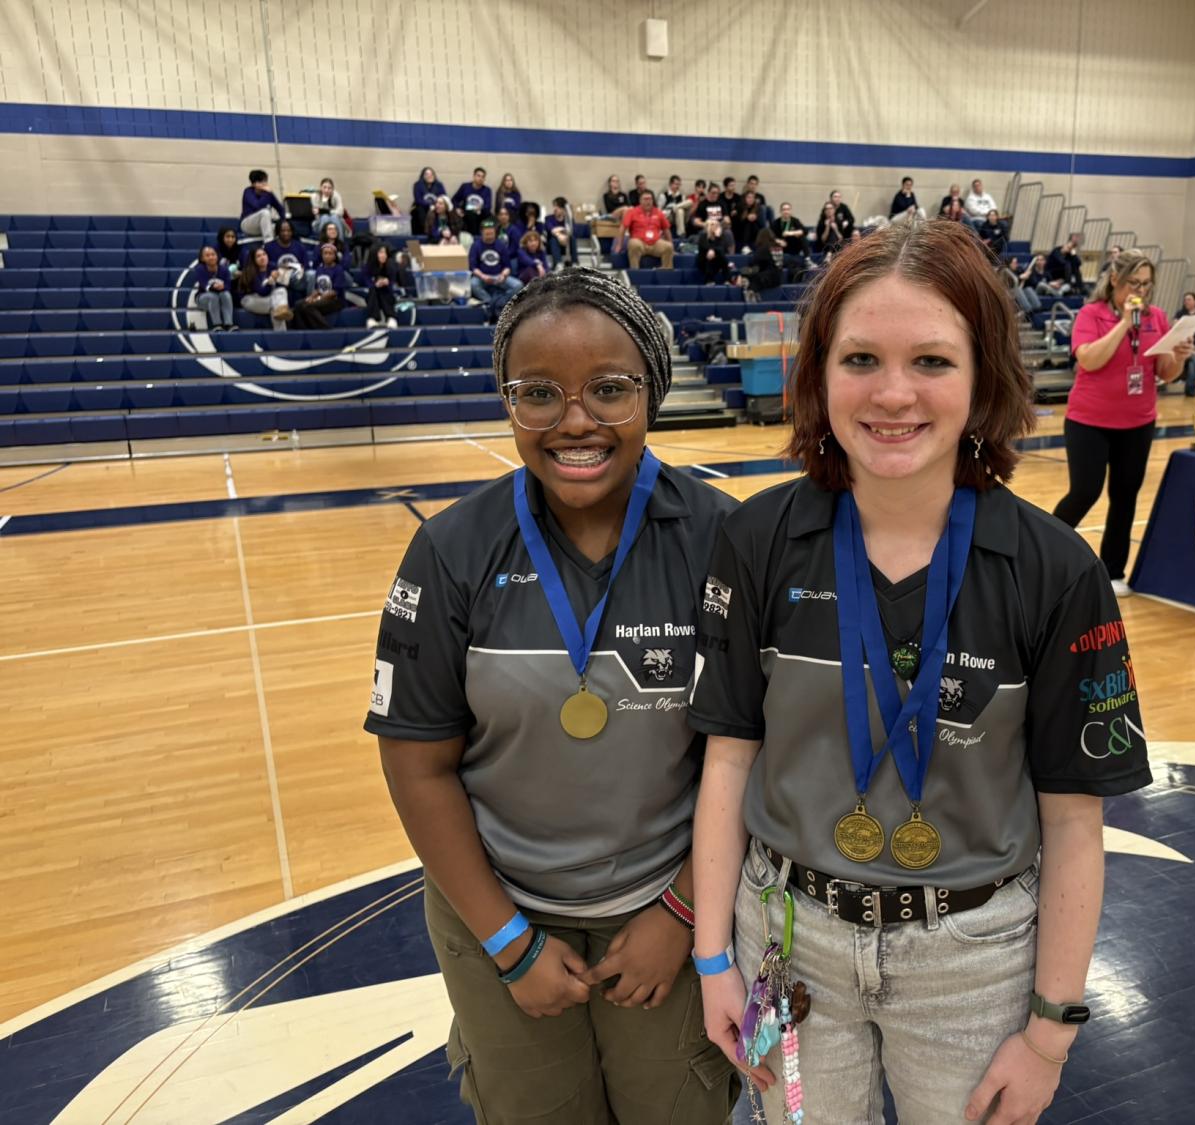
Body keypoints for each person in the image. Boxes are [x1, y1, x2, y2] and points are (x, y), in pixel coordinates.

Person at [687, 219, 1151, 1125]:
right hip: (787, 936)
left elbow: (1074, 820)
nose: (893, 394)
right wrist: (714, 960)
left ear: (984, 381)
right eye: (860, 358)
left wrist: (1050, 1031)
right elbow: (728, 763)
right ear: (818, 373)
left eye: (933, 361)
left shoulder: (1057, 571)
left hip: (974, 961)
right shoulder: (755, 540)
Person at [368, 269, 741, 1125]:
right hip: (498, 915)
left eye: (609, 389)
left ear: (651, 387)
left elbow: (749, 753)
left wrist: (682, 913)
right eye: (540, 393)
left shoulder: (725, 539)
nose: (576, 421)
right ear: (509, 401)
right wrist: (506, 939)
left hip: (673, 912)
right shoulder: (451, 550)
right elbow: (417, 766)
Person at [1052, 249, 1192, 596]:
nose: (1141, 291)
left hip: (1138, 421)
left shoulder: (1156, 317)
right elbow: (1089, 360)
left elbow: (1164, 373)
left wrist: (1178, 358)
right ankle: (1042, 554)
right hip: (1090, 420)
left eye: (1147, 285)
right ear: (1115, 279)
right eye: (1134, 283)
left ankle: (1114, 571)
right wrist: (1124, 325)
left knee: (1125, 495)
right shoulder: (1091, 314)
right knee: (1085, 490)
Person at [469, 221, 522, 321]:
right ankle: (489, 302)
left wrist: (503, 275)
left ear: (495, 233)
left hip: (499, 276)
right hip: (482, 276)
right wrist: (483, 276)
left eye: (491, 233)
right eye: (487, 234)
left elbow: (507, 266)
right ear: (482, 233)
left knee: (518, 285)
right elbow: (473, 267)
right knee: (473, 284)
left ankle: (500, 302)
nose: (489, 236)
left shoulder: (500, 245)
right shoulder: (476, 245)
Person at [291, 240, 348, 329]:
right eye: (325, 253)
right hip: (321, 298)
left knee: (308, 306)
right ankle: (302, 330)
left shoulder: (338, 270)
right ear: (321, 255)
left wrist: (317, 300)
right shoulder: (319, 269)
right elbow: (318, 289)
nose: (327, 256)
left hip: (335, 301)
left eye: (330, 254)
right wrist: (311, 297)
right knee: (299, 304)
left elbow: (335, 292)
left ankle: (326, 329)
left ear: (334, 256)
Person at [236, 245, 291, 330]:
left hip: (267, 298)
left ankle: (280, 332)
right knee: (276, 305)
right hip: (250, 299)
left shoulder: (272, 266)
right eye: (258, 256)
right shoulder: (250, 271)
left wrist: (284, 274)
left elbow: (281, 287)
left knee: (281, 293)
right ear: (253, 260)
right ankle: (281, 312)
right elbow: (262, 292)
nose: (262, 257)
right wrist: (272, 279)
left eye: (264, 254)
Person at [622, 189, 674, 270]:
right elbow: (623, 227)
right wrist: (618, 245)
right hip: (640, 242)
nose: (648, 201)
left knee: (669, 247)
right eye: (645, 199)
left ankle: (666, 273)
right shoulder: (632, 212)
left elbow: (666, 229)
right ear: (640, 201)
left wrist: (671, 243)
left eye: (650, 199)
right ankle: (635, 271)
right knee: (633, 244)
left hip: (655, 243)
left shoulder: (658, 212)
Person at [191, 245, 235, 331]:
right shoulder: (200, 269)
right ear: (202, 258)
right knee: (213, 296)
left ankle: (229, 324)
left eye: (213, 254)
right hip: (203, 298)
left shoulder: (224, 269)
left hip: (221, 298)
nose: (211, 257)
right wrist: (214, 287)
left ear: (217, 256)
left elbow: (228, 286)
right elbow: (204, 285)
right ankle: (217, 324)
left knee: (226, 294)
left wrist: (223, 287)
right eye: (207, 255)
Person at [362, 243, 401, 328]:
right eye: (380, 252)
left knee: (384, 289)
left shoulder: (391, 266)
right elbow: (367, 282)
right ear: (374, 253)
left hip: (387, 294)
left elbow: (392, 283)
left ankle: (391, 317)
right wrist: (376, 284)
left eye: (385, 253)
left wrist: (388, 282)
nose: (383, 255)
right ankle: (372, 318)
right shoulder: (367, 267)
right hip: (373, 295)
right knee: (374, 290)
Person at [240, 169, 285, 242]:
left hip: (264, 225)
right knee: (265, 212)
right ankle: (268, 243)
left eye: (265, 181)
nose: (265, 184)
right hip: (247, 225)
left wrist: (283, 222)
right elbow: (257, 206)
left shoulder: (268, 194)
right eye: (261, 181)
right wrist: (267, 193)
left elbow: (280, 209)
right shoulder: (248, 192)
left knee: (284, 228)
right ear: (254, 184)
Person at [737, 227, 781, 299]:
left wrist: (741, 274)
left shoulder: (763, 249)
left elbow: (755, 267)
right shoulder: (778, 247)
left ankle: (751, 293)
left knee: (752, 277)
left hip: (767, 278)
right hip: (777, 279)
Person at [453, 168, 494, 237]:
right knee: (470, 211)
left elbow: (488, 206)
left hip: (481, 215)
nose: (480, 178)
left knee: (492, 220)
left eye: (483, 177)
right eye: (478, 176)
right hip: (466, 214)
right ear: (474, 176)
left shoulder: (487, 190)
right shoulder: (465, 187)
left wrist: (480, 208)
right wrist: (457, 208)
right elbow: (454, 200)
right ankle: (474, 236)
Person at [772, 202, 808, 278]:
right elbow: (771, 236)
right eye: (784, 209)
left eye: (788, 209)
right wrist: (779, 241)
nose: (786, 211)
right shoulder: (776, 222)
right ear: (780, 211)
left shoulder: (795, 220)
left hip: (794, 247)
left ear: (791, 211)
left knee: (801, 236)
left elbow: (804, 231)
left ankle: (807, 258)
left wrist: (790, 233)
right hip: (782, 249)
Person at [695, 218, 734, 285]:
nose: (715, 226)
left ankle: (728, 280)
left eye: (717, 225)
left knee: (721, 257)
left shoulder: (720, 236)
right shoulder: (703, 235)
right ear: (708, 226)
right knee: (710, 255)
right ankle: (709, 280)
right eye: (712, 224)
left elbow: (721, 250)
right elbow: (706, 248)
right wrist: (714, 247)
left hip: (717, 260)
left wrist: (717, 238)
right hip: (703, 261)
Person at [411, 166, 446, 233]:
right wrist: (430, 205)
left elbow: (444, 197)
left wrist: (436, 205)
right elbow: (418, 199)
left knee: (443, 208)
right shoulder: (418, 185)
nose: (429, 176)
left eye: (431, 174)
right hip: (421, 206)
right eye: (427, 174)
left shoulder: (439, 185)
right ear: (423, 176)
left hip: (436, 206)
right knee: (420, 209)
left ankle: (443, 230)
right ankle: (426, 232)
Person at [545, 196, 576, 269]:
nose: (555, 208)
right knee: (553, 239)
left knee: (572, 238)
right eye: (554, 206)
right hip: (553, 245)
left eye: (557, 206)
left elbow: (572, 230)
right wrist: (559, 235)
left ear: (563, 209)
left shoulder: (568, 219)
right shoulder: (549, 218)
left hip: (566, 243)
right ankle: (559, 264)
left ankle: (575, 262)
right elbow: (551, 229)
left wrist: (560, 230)